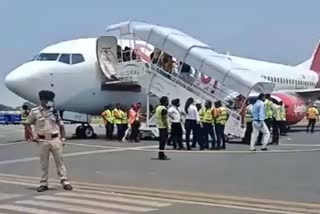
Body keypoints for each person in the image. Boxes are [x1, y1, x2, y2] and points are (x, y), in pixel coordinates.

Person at [25, 90, 73, 192]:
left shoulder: (55, 111)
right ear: (42, 100)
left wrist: (63, 138)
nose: (50, 102)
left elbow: (61, 125)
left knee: (60, 161)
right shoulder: (35, 112)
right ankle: (43, 183)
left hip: (55, 139)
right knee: (44, 163)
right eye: (48, 100)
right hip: (42, 140)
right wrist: (33, 135)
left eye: (51, 100)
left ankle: (64, 181)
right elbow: (27, 124)